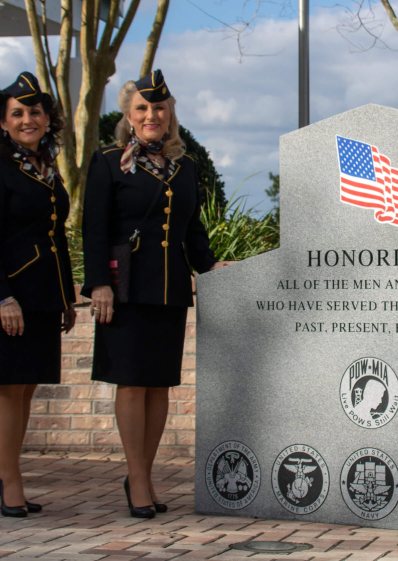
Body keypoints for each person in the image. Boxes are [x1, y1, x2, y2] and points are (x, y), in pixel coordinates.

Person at [82, 70, 233, 519]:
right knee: (131, 384)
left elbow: (191, 227)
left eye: (160, 109)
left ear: (170, 117)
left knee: (159, 385)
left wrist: (209, 265)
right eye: (143, 109)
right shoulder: (109, 161)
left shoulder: (184, 165)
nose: (152, 115)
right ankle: (139, 479)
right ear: (129, 117)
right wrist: (98, 284)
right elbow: (94, 228)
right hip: (125, 290)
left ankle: (141, 473)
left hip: (168, 290)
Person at [0, 71, 77, 517]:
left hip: (43, 295)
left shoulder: (45, 170)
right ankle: (9, 478)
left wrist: (67, 295)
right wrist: (0, 297)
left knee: (27, 387)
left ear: (48, 119)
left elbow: (57, 237)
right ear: (3, 121)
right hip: (9, 296)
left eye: (35, 111)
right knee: (10, 387)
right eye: (18, 113)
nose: (28, 119)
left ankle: (2, 470)